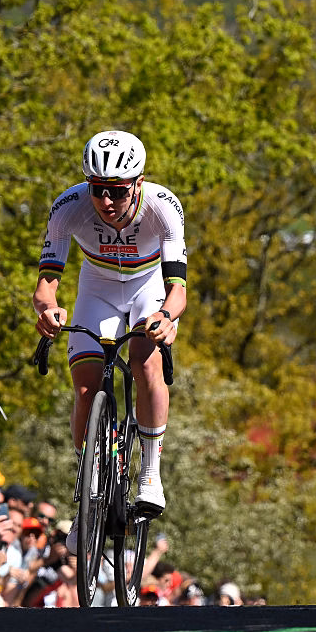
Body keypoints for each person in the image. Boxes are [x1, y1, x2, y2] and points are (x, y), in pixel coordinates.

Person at [33, 130, 186, 552]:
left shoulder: (163, 208)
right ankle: (88, 492)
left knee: (145, 361)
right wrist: (47, 310)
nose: (107, 202)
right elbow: (46, 284)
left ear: (137, 182)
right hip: (96, 287)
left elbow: (178, 289)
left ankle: (150, 473)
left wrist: (167, 317)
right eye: (99, 190)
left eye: (117, 191)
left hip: (146, 287)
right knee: (85, 388)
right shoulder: (69, 207)